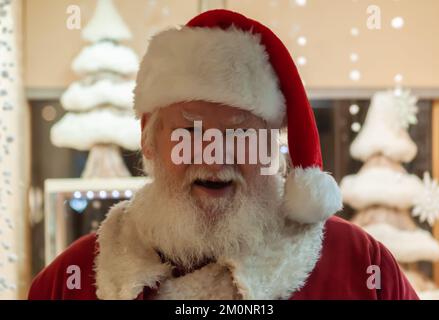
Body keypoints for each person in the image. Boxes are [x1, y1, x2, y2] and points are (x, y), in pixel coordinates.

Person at [28, 9, 418, 300]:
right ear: (150, 143)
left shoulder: (360, 266)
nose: (214, 158)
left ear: (272, 147)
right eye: (190, 132)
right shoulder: (74, 280)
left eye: (240, 134)